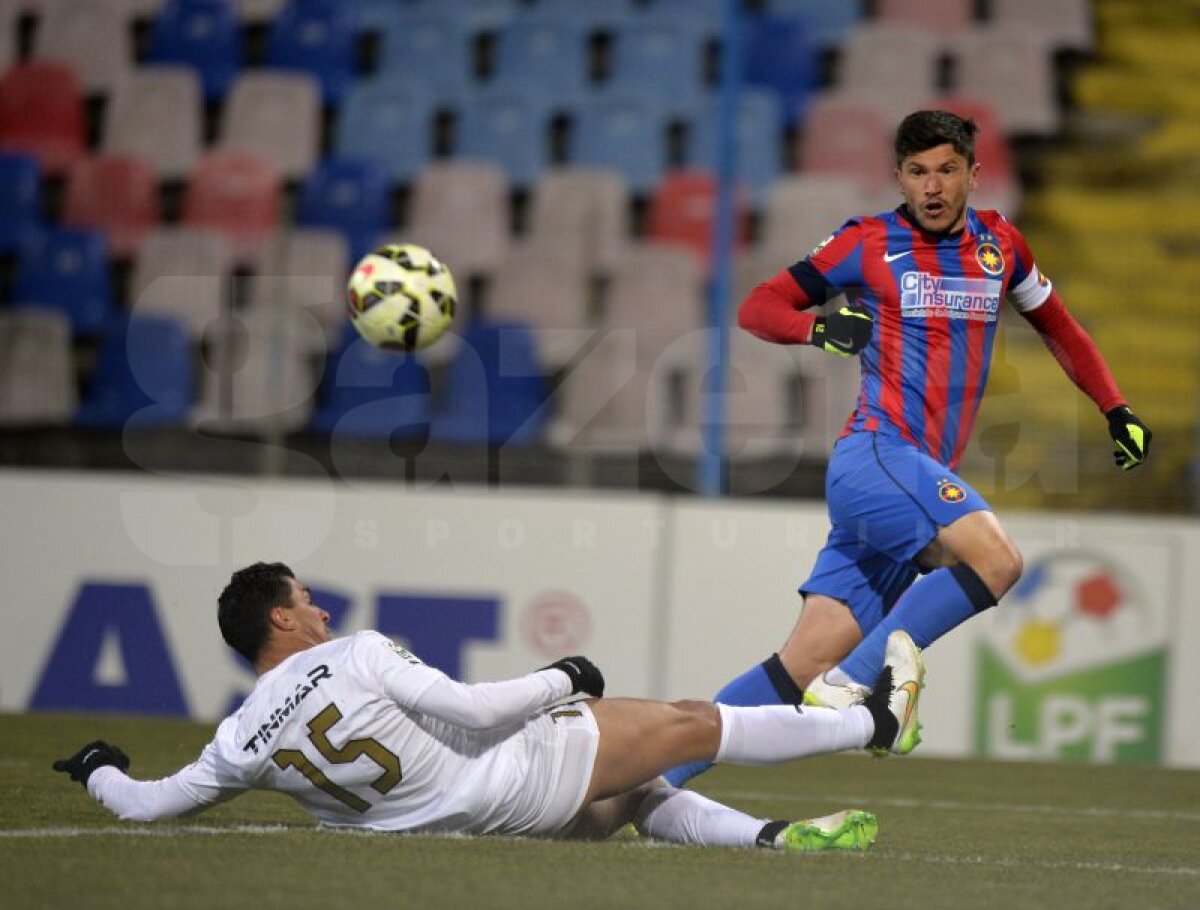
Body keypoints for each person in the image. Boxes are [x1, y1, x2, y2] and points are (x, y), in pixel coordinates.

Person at [665, 109, 1151, 787]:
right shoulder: (866, 243)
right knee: (998, 561)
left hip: (906, 486)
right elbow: (758, 307)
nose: (933, 186)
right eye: (918, 172)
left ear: (974, 175)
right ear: (898, 176)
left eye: (947, 170)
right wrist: (819, 328)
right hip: (875, 457)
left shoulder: (1002, 247)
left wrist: (1115, 405)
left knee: (793, 667)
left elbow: (1061, 328)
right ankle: (855, 686)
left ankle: (652, 776)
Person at [54, 562, 925, 852]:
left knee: (639, 796)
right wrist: (564, 678)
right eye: (306, 600)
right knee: (691, 723)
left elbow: (143, 804)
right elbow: (472, 712)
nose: (322, 609)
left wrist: (97, 767)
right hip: (515, 773)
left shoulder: (237, 740)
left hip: (478, 830)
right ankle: (875, 723)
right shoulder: (352, 652)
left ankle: (772, 842)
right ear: (281, 618)